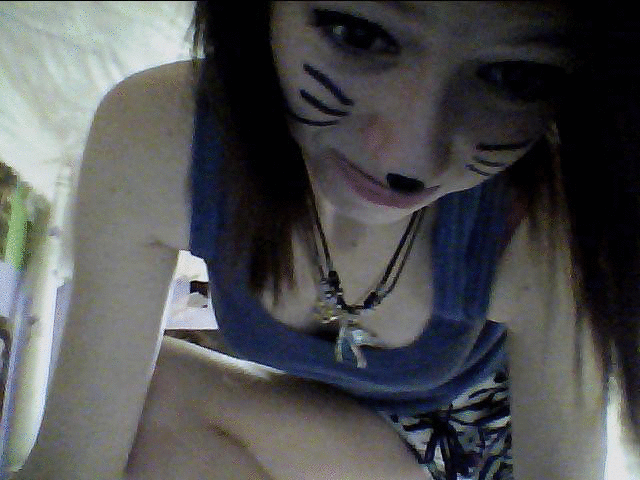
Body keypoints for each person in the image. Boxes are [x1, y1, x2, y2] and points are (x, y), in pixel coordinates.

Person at [15, 2, 640, 479]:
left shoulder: (544, 215)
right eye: (357, 34)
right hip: (328, 435)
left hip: (465, 457)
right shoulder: (160, 138)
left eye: (513, 77)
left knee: (161, 396)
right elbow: (73, 458)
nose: (408, 157)